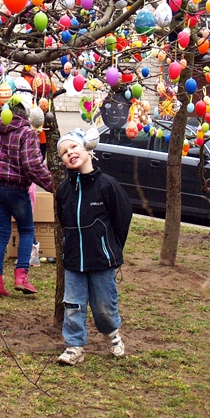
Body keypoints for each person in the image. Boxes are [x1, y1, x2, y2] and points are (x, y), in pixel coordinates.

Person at [55, 128, 132, 366]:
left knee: (104, 306)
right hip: (74, 261)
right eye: (64, 153)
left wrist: (111, 248)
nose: (70, 153)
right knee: (73, 305)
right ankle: (74, 345)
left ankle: (112, 335)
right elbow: (63, 220)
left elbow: (122, 217)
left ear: (87, 149)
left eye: (74, 147)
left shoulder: (107, 185)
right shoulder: (63, 190)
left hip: (101, 260)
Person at [0, 87, 52, 298]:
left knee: (1, 233)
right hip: (17, 190)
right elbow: (33, 165)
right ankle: (21, 277)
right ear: (25, 114)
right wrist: (54, 186)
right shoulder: (26, 133)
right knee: (26, 230)